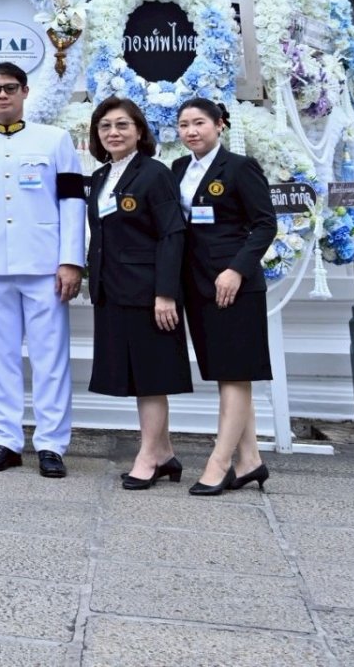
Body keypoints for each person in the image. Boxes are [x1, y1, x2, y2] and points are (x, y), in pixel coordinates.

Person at [0, 62, 86, 478]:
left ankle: (50, 443)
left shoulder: (55, 140)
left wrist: (71, 260)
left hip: (44, 265)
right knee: (1, 358)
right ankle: (7, 440)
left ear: (26, 92)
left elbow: (72, 203)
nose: (2, 96)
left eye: (10, 88)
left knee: (50, 358)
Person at [173, 97, 278, 495]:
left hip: (235, 287)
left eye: (199, 123)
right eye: (184, 125)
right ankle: (250, 461)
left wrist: (236, 269)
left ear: (220, 125)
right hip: (197, 285)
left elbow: (265, 225)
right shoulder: (179, 169)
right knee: (224, 373)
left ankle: (219, 463)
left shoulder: (239, 168)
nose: (191, 131)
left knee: (235, 374)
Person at [87, 96, 192, 488]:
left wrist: (165, 293)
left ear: (140, 131)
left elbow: (172, 234)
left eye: (122, 126)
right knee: (134, 375)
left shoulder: (154, 173)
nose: (113, 133)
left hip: (147, 292)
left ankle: (148, 456)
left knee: (151, 376)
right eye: (105, 127)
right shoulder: (100, 177)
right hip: (112, 289)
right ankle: (163, 453)